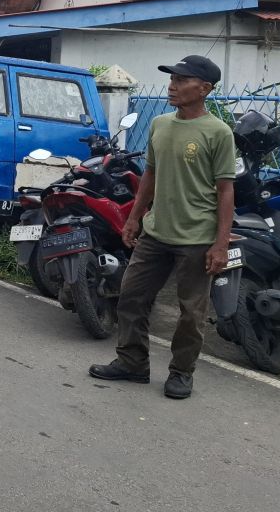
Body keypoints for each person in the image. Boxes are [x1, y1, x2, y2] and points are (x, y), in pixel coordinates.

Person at [89, 55, 235, 400]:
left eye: (182, 80)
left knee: (190, 313)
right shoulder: (160, 124)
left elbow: (226, 190)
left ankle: (182, 373)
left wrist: (221, 244)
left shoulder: (219, 133)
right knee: (131, 297)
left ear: (204, 89)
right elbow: (149, 177)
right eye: (172, 79)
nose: (172, 85)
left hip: (197, 237)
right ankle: (132, 362)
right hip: (156, 233)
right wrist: (135, 218)